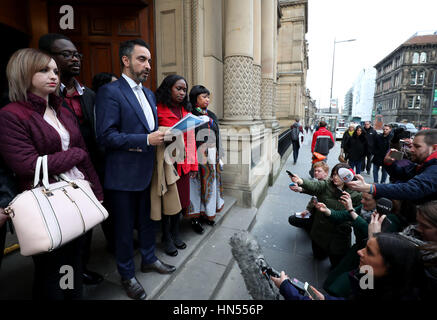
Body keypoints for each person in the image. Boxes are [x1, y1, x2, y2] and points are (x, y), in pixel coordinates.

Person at [0, 48, 103, 299]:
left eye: (56, 70)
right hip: (44, 204)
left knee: (75, 263)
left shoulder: (62, 109)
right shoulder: (11, 114)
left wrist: (98, 193)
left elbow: (84, 153)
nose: (53, 75)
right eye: (44, 70)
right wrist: (76, 155)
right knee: (51, 272)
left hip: (77, 196)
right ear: (23, 73)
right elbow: (28, 165)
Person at [95, 39, 175, 300]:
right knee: (124, 229)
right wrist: (145, 140)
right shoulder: (111, 92)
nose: (148, 65)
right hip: (121, 177)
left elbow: (146, 129)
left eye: (150, 60)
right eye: (142, 59)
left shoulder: (150, 93)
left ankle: (149, 259)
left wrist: (162, 134)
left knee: (148, 222)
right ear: (126, 60)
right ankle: (127, 274)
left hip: (147, 172)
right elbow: (105, 136)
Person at [38, 33, 104, 285]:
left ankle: (79, 270)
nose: (75, 59)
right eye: (66, 54)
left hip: (85, 174)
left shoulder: (89, 94)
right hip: (52, 180)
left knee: (84, 228)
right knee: (57, 239)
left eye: (77, 54)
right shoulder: (34, 100)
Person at [271, 233, 425, 300]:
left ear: (391, 267)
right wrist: (325, 298)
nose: (359, 252)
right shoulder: (373, 282)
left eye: (369, 252)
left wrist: (285, 286)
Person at [155, 74, 198, 255]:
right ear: (168, 88)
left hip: (184, 165)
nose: (182, 93)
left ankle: (175, 233)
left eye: (184, 90)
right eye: (178, 88)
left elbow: (191, 142)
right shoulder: (158, 110)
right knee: (168, 204)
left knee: (180, 203)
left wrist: (194, 165)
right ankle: (166, 237)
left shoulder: (187, 113)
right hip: (167, 165)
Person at [291, 163, 362, 267]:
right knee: (318, 256)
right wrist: (301, 182)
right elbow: (315, 186)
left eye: (338, 175)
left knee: (336, 264)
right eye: (333, 174)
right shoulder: (327, 184)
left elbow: (357, 213)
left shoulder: (356, 194)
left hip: (339, 236)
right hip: (320, 232)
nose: (335, 177)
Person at [347, 129, 437, 206]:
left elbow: (413, 188)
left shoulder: (434, 168)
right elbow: (403, 174)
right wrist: (389, 164)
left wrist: (370, 188)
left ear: (434, 148)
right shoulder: (423, 164)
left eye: (417, 146)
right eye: (412, 145)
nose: (411, 149)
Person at [187, 85, 225, 229]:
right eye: (204, 97)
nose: (207, 100)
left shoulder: (212, 115)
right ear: (195, 99)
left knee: (210, 185)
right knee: (196, 187)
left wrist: (219, 156)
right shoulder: (190, 116)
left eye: (208, 97)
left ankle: (207, 213)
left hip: (212, 156)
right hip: (196, 155)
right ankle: (194, 218)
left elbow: (218, 136)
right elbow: (189, 139)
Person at [288, 161, 330, 233]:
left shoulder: (325, 184)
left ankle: (312, 228)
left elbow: (314, 186)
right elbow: (314, 195)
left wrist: (299, 181)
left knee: (292, 219)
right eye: (315, 171)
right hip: (315, 212)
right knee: (295, 217)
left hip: (322, 217)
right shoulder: (320, 182)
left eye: (319, 171)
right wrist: (308, 210)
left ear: (326, 173)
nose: (316, 172)